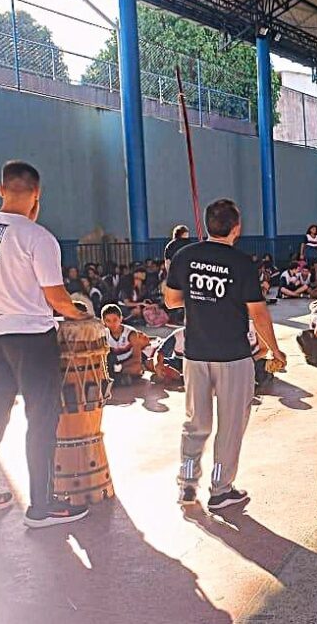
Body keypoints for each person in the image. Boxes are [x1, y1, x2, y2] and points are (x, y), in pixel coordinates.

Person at [0, 160, 92, 527]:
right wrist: (79, 316)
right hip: (32, 338)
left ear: (1, 188)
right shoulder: (38, 238)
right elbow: (57, 298)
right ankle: (41, 506)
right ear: (37, 193)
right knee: (40, 418)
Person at [165, 198, 286, 511]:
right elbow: (259, 314)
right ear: (237, 227)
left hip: (195, 353)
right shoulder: (242, 263)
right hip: (232, 356)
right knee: (229, 427)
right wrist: (274, 350)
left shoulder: (184, 255)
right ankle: (220, 489)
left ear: (207, 225)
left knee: (195, 424)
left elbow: (171, 301)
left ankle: (187, 486)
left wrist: (201, 299)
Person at [101, 303, 149, 385]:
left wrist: (119, 367)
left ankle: (116, 377)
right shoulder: (103, 334)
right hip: (112, 363)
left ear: (121, 319)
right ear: (103, 321)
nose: (112, 324)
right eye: (108, 321)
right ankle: (119, 378)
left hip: (127, 363)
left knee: (137, 368)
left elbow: (137, 358)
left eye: (115, 320)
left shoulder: (131, 333)